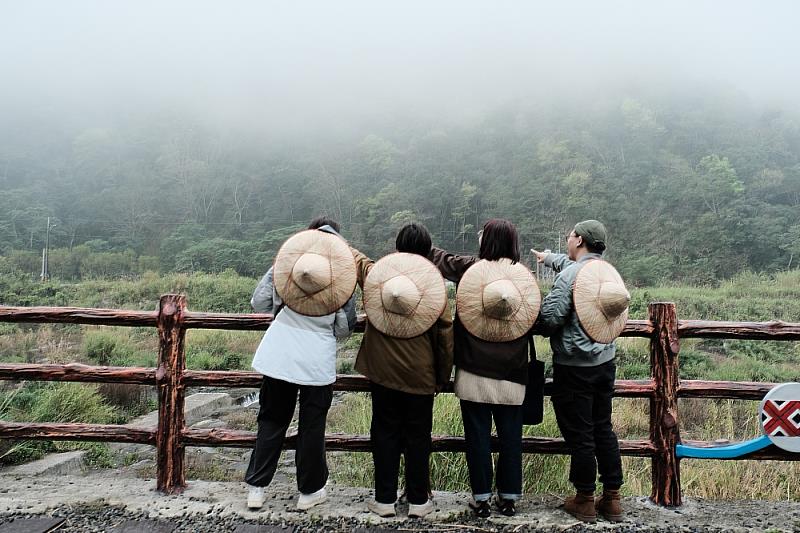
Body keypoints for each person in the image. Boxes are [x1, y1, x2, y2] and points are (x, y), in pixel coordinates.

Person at [428, 218, 539, 517]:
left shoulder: (470, 269)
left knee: (476, 438)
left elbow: (441, 259)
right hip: (513, 373)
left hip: (474, 370)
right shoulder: (522, 277)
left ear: (486, 241)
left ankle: (481, 500)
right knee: (511, 438)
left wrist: (420, 243)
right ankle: (510, 498)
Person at [245, 217, 357, 511]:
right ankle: (309, 492)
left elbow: (258, 302)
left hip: (279, 352)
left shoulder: (288, 263)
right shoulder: (341, 273)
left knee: (272, 419)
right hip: (316, 359)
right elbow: (345, 327)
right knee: (312, 426)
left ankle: (257, 488)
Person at [350, 223, 454, 519]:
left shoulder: (380, 276)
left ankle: (384, 500)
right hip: (420, 375)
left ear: (397, 246)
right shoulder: (434, 287)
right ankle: (419, 501)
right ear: (427, 250)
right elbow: (445, 336)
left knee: (384, 432)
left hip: (382, 371)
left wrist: (329, 238)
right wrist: (441, 377)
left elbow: (360, 264)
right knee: (419, 436)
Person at [532, 219, 628, 523]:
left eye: (570, 235)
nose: (567, 239)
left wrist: (531, 320)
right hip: (605, 364)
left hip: (574, 368)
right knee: (603, 427)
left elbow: (551, 318)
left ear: (580, 240)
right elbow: (572, 266)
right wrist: (547, 258)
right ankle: (612, 498)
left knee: (580, 432)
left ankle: (585, 498)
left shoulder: (571, 275)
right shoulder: (607, 272)